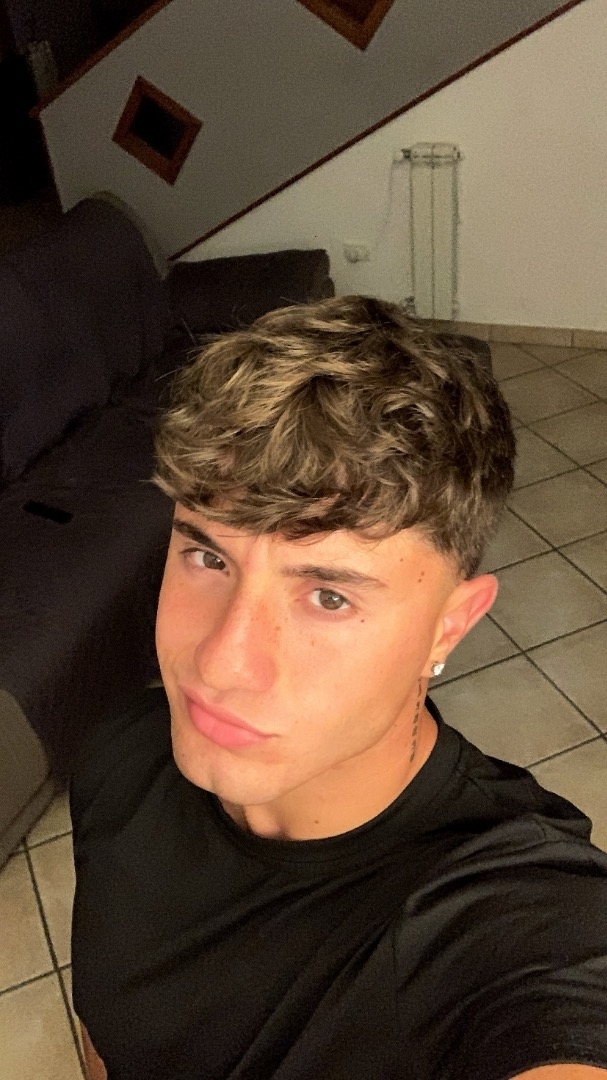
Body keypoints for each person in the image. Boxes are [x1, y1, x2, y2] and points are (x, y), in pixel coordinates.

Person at [70, 296, 607, 1080]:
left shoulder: (517, 919)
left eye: (328, 596)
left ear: (449, 627)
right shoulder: (122, 754)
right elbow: (110, 1030)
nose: (220, 665)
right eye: (208, 557)